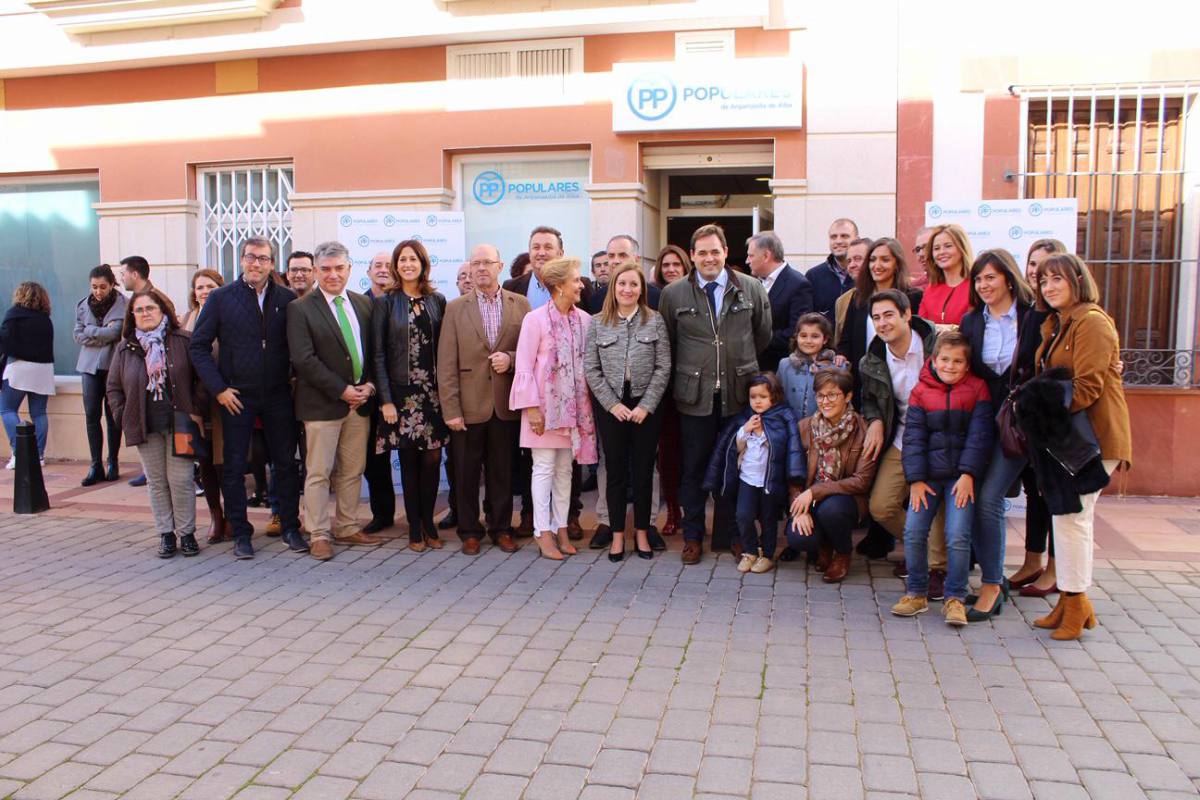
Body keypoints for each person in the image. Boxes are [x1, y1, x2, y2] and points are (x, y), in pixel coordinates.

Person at [1022, 253, 1131, 640]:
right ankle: (1071, 602)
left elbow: (1087, 388)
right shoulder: (1057, 323)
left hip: (1096, 438)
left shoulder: (1091, 322)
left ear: (1078, 281)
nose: (1049, 287)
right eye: (1044, 281)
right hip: (1069, 438)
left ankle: (1077, 602)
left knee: (1075, 521)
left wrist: (1036, 401)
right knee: (1066, 520)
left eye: (1058, 280)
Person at [659, 223, 772, 565]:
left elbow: (762, 335)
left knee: (734, 467)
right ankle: (693, 536)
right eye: (702, 252)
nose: (709, 258)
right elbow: (669, 342)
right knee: (693, 469)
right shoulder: (674, 294)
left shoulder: (751, 289)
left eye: (715, 251)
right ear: (692, 256)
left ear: (726, 252)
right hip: (695, 397)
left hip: (738, 395)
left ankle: (732, 535)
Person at [190, 236, 306, 559]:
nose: (256, 263)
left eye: (263, 258)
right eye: (250, 257)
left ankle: (290, 527)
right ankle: (241, 532)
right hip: (236, 396)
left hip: (278, 394)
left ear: (272, 264)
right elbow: (198, 347)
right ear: (241, 260)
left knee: (285, 463)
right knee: (234, 465)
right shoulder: (221, 299)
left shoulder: (286, 299)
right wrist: (220, 389)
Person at [891, 330, 993, 627]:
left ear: (967, 364)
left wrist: (969, 474)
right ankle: (917, 593)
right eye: (944, 359)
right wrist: (916, 479)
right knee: (912, 531)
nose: (950, 366)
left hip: (961, 478)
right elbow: (914, 438)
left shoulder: (978, 389)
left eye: (957, 361)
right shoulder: (921, 391)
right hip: (928, 477)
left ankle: (955, 597)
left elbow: (980, 436)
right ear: (933, 360)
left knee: (958, 535)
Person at [959, 249, 1039, 620]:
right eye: (978, 279)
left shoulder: (1033, 317)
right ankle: (995, 577)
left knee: (990, 498)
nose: (984, 285)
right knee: (974, 497)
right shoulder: (972, 321)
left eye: (990, 277)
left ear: (1009, 277)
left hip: (1018, 424)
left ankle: (992, 583)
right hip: (980, 422)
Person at [288, 241, 381, 561]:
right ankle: (318, 532)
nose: (332, 275)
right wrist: (341, 389)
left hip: (360, 402)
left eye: (338, 268)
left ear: (349, 270)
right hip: (322, 404)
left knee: (353, 469)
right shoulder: (300, 308)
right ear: (315, 271)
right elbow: (304, 359)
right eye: (325, 269)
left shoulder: (363, 305)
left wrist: (368, 384)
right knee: (318, 471)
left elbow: (372, 351)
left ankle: (346, 525)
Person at [438, 244, 529, 555]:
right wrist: (451, 409)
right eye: (475, 263)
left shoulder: (520, 304)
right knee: (465, 473)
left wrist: (512, 358)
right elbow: (446, 363)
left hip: (505, 406)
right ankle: (469, 531)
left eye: (486, 263)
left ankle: (501, 527)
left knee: (502, 472)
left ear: (500, 266)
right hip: (467, 405)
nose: (480, 269)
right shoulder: (455, 308)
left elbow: (532, 352)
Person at [504, 226, 592, 538]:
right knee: (542, 469)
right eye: (576, 281)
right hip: (541, 410)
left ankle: (562, 528)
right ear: (558, 286)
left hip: (573, 413)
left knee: (566, 471)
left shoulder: (584, 320)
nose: (581, 285)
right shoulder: (534, 320)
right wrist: (531, 409)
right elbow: (524, 367)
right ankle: (543, 532)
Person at [860, 290, 948, 597]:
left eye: (888, 315)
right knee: (881, 506)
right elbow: (870, 401)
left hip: (938, 439)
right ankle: (920, 549)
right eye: (876, 317)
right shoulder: (872, 359)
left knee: (932, 503)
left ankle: (938, 568)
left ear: (906, 314)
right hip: (901, 439)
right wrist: (875, 421)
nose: (882, 323)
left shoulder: (936, 345)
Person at [106, 288, 206, 558]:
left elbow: (201, 378)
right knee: (157, 481)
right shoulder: (126, 348)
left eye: (150, 308)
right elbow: (113, 388)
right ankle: (165, 534)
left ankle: (186, 534)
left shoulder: (183, 340)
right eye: (139, 310)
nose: (145, 313)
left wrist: (196, 409)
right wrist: (122, 416)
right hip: (143, 424)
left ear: (163, 310)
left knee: (181, 480)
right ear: (132, 316)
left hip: (180, 422)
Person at [584, 261, 671, 562]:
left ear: (641, 289)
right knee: (617, 472)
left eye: (634, 284)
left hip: (646, 407)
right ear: (614, 288)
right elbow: (592, 369)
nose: (628, 289)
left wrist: (646, 405)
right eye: (622, 284)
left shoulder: (655, 320)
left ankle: (643, 533)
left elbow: (663, 366)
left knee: (645, 471)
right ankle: (618, 534)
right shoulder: (597, 322)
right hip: (614, 408)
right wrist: (613, 405)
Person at [371, 239, 449, 552]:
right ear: (395, 265)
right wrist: (386, 400)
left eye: (413, 259)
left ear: (423, 264)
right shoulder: (386, 302)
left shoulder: (437, 300)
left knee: (432, 459)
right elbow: (377, 354)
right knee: (409, 460)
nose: (407, 265)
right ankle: (414, 528)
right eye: (402, 260)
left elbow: (445, 348)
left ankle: (429, 522)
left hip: (432, 393)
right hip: (401, 395)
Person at [1010, 239, 1068, 598]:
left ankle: (1057, 570)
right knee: (1034, 490)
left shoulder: (1069, 315)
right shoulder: (1030, 310)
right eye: (1033, 266)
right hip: (1030, 414)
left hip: (1057, 418)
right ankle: (1033, 560)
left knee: (1057, 492)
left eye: (1047, 270)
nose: (1039, 275)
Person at [787, 369, 879, 583]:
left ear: (847, 396)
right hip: (810, 499)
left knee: (832, 510)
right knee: (799, 538)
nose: (825, 401)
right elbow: (793, 475)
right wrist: (798, 506)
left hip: (847, 500)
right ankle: (823, 544)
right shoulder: (805, 427)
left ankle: (843, 552)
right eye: (820, 395)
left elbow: (861, 481)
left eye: (832, 395)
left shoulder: (864, 430)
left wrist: (814, 492)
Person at [704, 372, 802, 574]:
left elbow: (786, 445)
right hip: (747, 479)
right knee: (743, 515)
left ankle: (767, 555)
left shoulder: (783, 416)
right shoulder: (744, 418)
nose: (757, 401)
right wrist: (745, 431)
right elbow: (734, 448)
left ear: (773, 396)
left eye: (763, 397)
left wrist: (763, 433)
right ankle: (749, 550)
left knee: (768, 519)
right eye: (753, 397)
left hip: (769, 480)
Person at [835, 238, 924, 406]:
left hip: (902, 378)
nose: (877, 265)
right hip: (865, 379)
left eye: (885, 259)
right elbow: (846, 339)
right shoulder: (859, 297)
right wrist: (841, 355)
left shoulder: (913, 297)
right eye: (872, 259)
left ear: (897, 263)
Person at [180, 269, 231, 544]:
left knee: (225, 461)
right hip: (195, 403)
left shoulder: (227, 318)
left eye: (210, 286)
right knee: (204, 462)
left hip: (222, 400)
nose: (204, 291)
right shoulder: (185, 320)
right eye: (200, 287)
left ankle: (233, 516)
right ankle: (215, 515)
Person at [652, 245, 692, 541]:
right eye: (665, 264)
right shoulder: (653, 296)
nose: (670, 269)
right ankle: (673, 510)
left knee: (691, 452)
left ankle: (691, 509)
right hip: (660, 386)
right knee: (667, 453)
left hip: (691, 384)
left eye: (676, 264)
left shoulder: (694, 294)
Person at [74, 264, 127, 485]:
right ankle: (95, 464)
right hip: (88, 367)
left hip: (113, 366)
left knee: (113, 416)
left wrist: (90, 332)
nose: (98, 291)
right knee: (91, 415)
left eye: (102, 287)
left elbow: (115, 332)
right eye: (94, 287)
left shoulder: (122, 303)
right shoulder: (83, 305)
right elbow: (77, 334)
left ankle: (112, 461)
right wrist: (101, 333)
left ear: (111, 284)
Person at [361, 251, 397, 534]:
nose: (383, 270)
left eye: (388, 266)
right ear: (368, 271)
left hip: (401, 391)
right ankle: (382, 514)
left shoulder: (402, 303)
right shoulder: (357, 305)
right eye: (378, 266)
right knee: (375, 460)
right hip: (369, 395)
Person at [0, 282, 55, 466]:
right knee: (39, 413)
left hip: (19, 368)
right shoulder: (45, 319)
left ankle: (20, 452)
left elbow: (5, 344)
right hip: (44, 370)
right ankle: (38, 456)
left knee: (7, 409)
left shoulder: (13, 315)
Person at [748, 230, 813, 371]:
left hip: (781, 369)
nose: (747, 260)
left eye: (751, 256)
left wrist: (754, 338)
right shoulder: (753, 283)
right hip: (756, 368)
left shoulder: (798, 284)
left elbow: (796, 331)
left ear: (766, 256)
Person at [119, 256, 153, 487]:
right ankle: (147, 469)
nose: (121, 278)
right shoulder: (133, 300)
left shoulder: (154, 298)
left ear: (134, 274)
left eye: (123, 274)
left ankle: (150, 470)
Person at [918, 224, 973, 326]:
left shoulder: (975, 286)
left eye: (948, 246)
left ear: (962, 248)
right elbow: (923, 327)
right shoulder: (930, 290)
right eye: (937, 248)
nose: (942, 252)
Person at [807, 218, 858, 322]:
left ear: (857, 239)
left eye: (844, 236)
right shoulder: (813, 276)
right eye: (833, 237)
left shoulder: (866, 274)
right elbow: (807, 320)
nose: (838, 241)